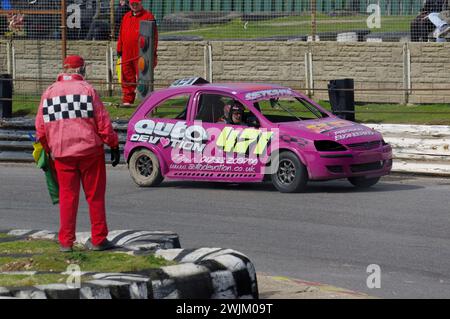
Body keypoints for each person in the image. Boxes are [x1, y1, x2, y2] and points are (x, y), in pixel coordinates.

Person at [35, 55, 120, 252]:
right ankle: (98, 239)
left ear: (63, 70)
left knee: (67, 197)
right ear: (81, 70)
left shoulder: (49, 93)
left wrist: (49, 149)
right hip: (90, 152)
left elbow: (40, 129)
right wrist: (113, 144)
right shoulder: (88, 90)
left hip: (63, 154)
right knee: (95, 196)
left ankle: (66, 241)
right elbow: (103, 124)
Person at [117, 0, 158, 107]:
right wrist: (119, 49)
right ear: (129, 4)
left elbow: (154, 37)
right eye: (132, 4)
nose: (134, 6)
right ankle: (127, 100)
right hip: (127, 52)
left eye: (136, 4)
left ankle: (146, 102)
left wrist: (152, 53)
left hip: (142, 53)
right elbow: (121, 33)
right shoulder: (126, 16)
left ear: (141, 3)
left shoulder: (148, 16)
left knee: (144, 76)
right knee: (127, 76)